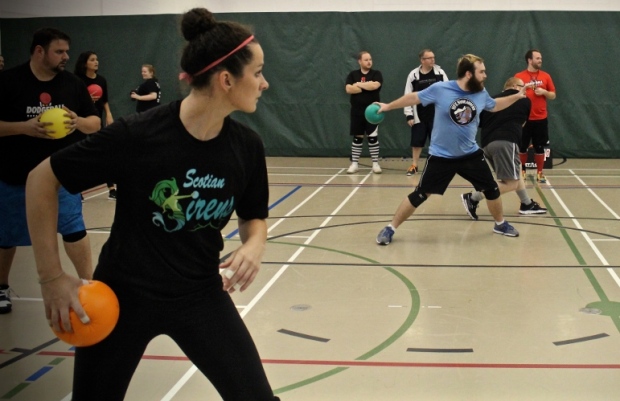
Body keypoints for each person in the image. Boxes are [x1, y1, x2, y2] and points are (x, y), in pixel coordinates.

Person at [26, 8, 279, 401]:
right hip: (123, 296)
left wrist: (254, 244)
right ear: (227, 80)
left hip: (200, 295)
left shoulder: (247, 147)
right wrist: (51, 277)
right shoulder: (138, 135)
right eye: (259, 72)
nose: (265, 83)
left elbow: (253, 216)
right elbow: (42, 178)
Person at [375, 54, 530, 246]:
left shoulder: (481, 93)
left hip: (470, 154)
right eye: (481, 71)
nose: (485, 75)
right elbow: (414, 97)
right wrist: (389, 106)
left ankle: (500, 224)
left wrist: (516, 96)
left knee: (491, 189)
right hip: (441, 156)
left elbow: (494, 106)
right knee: (420, 194)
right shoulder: (441, 89)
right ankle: (390, 228)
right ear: (468, 74)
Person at [0, 28, 101, 314]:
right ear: (39, 51)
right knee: (5, 237)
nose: (66, 56)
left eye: (67, 51)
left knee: (74, 231)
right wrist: (25, 128)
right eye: (59, 51)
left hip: (61, 176)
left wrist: (77, 121)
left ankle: (89, 285)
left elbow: (95, 123)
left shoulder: (73, 84)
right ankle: (1, 288)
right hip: (15, 176)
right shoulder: (8, 82)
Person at [460, 77, 547, 219]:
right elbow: (523, 123)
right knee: (511, 183)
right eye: (522, 86)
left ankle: (526, 204)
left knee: (516, 173)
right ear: (513, 86)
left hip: (487, 144)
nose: (525, 89)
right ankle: (473, 197)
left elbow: (480, 122)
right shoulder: (523, 100)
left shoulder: (491, 100)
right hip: (506, 141)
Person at [74, 50, 117, 200]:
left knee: (104, 152)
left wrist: (109, 114)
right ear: (85, 63)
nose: (96, 62)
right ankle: (76, 191)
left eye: (97, 59)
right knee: (78, 155)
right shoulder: (77, 80)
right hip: (80, 122)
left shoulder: (101, 80)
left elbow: (104, 100)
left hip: (96, 121)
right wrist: (86, 99)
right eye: (92, 60)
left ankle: (111, 188)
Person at [403, 49, 448, 175]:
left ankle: (438, 166)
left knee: (437, 142)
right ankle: (414, 165)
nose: (433, 60)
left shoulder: (440, 73)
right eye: (429, 58)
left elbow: (447, 91)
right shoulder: (414, 75)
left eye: (433, 57)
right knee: (417, 142)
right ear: (422, 60)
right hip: (419, 115)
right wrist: (409, 114)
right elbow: (408, 94)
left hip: (437, 115)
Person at [514, 49, 556, 183]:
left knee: (539, 147)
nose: (540, 60)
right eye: (537, 58)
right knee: (522, 147)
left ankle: (540, 173)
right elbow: (514, 94)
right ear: (529, 60)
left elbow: (553, 95)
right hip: (524, 119)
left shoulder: (546, 76)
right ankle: (523, 171)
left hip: (540, 119)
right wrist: (522, 91)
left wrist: (544, 92)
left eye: (541, 58)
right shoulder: (519, 76)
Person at [345, 50, 383, 174]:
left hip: (372, 111)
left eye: (370, 59)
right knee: (357, 138)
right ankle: (354, 164)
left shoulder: (376, 73)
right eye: (366, 60)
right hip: (357, 111)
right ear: (360, 61)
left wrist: (359, 85)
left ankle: (375, 164)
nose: (369, 62)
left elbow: (375, 86)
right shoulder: (352, 74)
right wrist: (365, 86)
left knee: (372, 138)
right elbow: (349, 89)